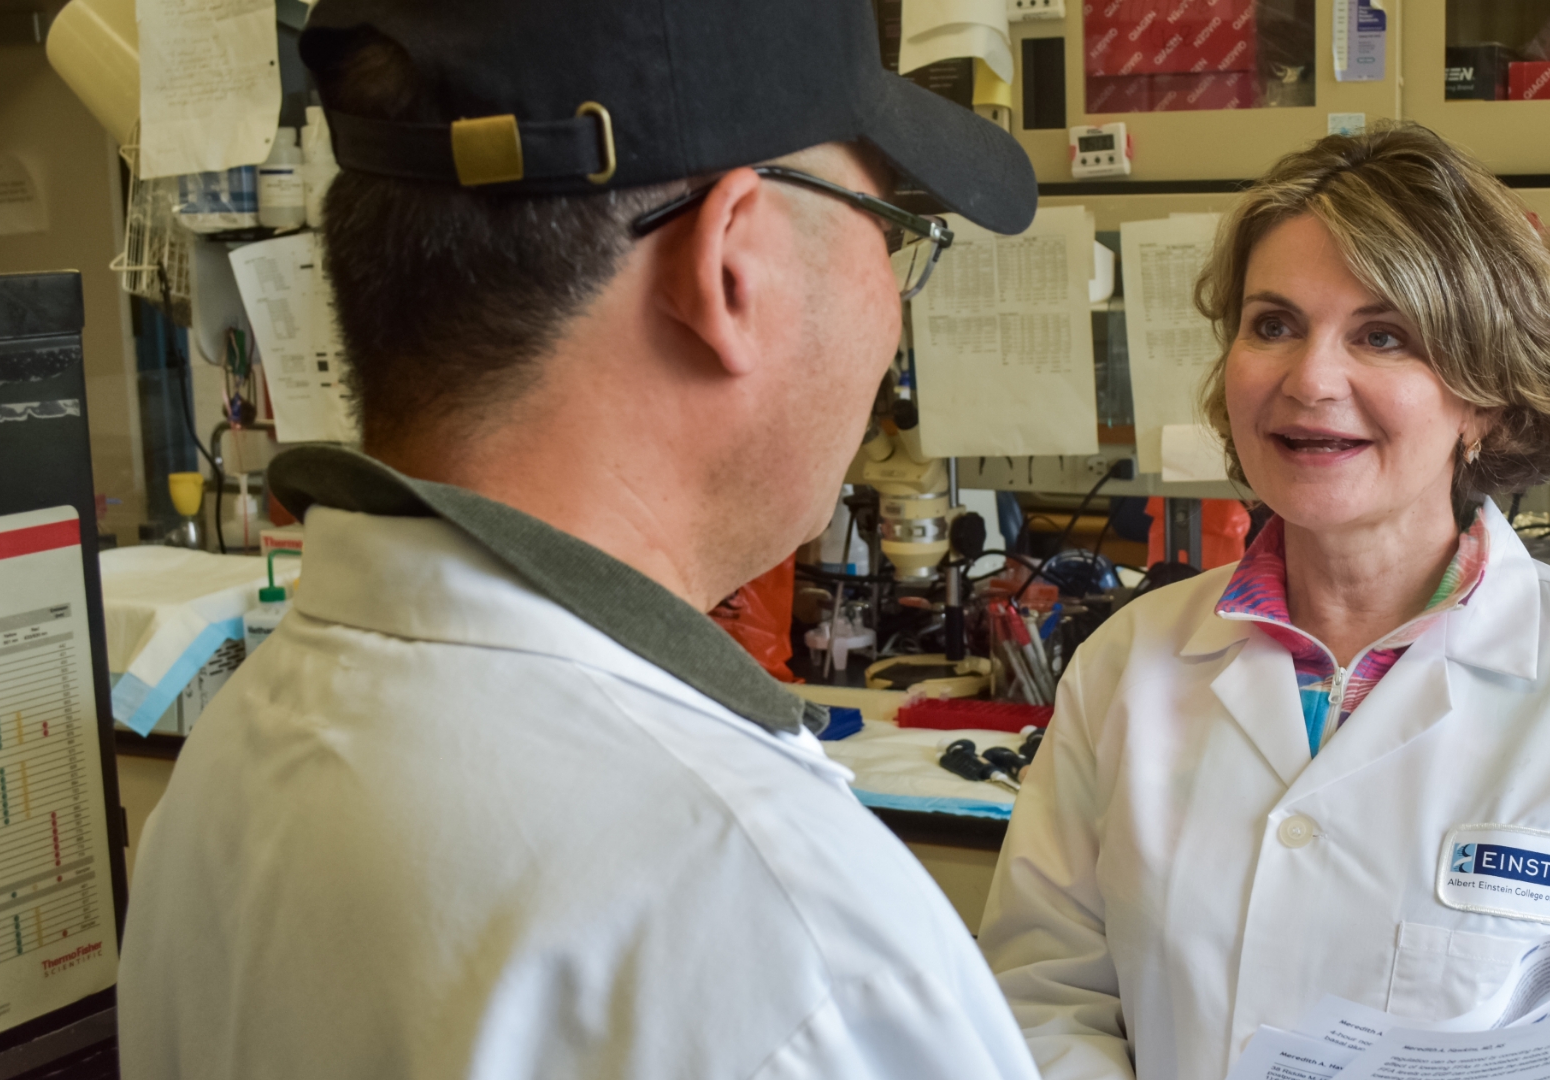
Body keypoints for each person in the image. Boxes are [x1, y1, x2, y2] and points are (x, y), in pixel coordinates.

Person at [117, 1, 1042, 1077]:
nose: (893, 305)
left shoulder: (234, 763)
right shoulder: (789, 945)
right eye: (887, 231)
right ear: (731, 264)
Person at [977, 125, 1550, 1080]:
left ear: (1486, 398)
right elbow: (1042, 995)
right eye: (1273, 324)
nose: (1310, 379)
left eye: (1383, 336)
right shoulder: (1126, 666)